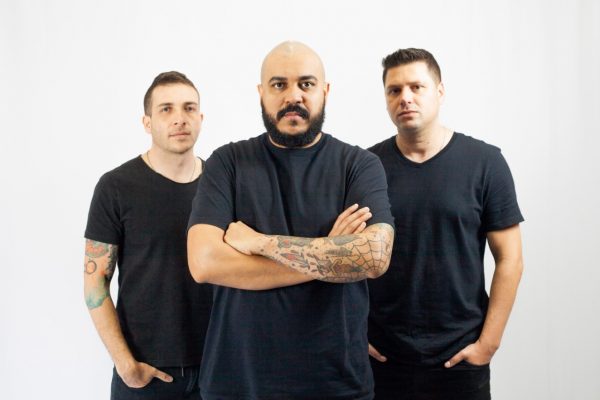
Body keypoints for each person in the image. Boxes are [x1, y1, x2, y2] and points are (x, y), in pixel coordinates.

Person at [187, 41, 395, 400]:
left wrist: (261, 244)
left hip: (336, 385)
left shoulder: (359, 165)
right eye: (279, 84)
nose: (293, 96)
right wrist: (332, 253)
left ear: (325, 91)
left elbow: (374, 257)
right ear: (261, 93)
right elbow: (204, 264)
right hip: (237, 384)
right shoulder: (228, 163)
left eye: (306, 84)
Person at [367, 48, 524, 400]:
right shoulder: (367, 167)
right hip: (383, 359)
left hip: (460, 359)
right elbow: (344, 257)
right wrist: (353, 334)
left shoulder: (485, 163)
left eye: (416, 87)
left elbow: (511, 259)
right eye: (394, 90)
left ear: (439, 91)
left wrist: (488, 344)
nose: (405, 97)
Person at [83, 71, 212, 400]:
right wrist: (126, 365)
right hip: (146, 374)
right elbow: (95, 283)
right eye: (166, 109)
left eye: (189, 108)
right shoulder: (116, 187)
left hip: (217, 369)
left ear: (201, 118)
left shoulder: (221, 184)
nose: (179, 118)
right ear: (147, 123)